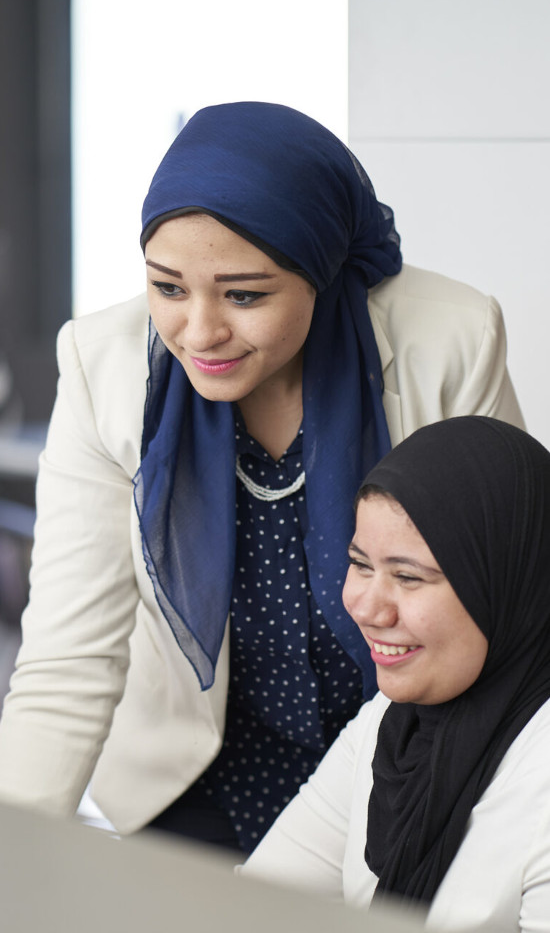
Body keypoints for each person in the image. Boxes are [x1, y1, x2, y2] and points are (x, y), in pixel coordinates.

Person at [0, 103, 525, 853]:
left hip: (409, 756)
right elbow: (67, 659)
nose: (200, 331)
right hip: (199, 772)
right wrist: (12, 865)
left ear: (318, 268)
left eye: (244, 295)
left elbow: (503, 604)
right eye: (168, 287)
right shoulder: (103, 363)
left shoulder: (451, 339)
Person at [242, 417, 550, 933]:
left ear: (506, 583)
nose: (364, 606)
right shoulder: (390, 722)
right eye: (360, 564)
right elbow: (247, 914)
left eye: (408, 577)